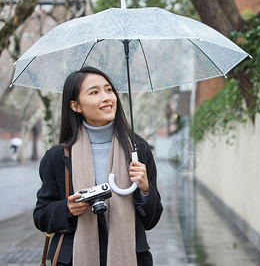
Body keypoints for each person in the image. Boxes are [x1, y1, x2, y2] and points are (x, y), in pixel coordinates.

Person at [34, 66, 163, 266]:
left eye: (109, 90)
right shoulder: (57, 157)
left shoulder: (138, 150)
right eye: (94, 92)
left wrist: (145, 189)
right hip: (75, 258)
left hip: (131, 256)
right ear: (76, 106)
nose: (106, 97)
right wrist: (66, 208)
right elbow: (41, 216)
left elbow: (152, 219)